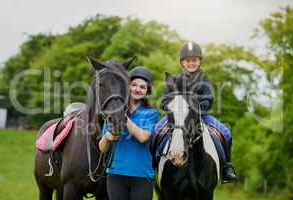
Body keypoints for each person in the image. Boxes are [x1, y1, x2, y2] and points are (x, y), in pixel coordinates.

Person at [160, 41, 237, 183]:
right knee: (155, 131)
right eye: (188, 61)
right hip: (176, 116)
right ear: (182, 62)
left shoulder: (204, 79)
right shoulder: (175, 79)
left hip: (200, 115)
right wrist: (170, 106)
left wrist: (196, 109)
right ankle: (155, 161)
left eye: (194, 60)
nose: (191, 63)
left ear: (199, 61)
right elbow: (165, 99)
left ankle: (226, 166)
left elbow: (208, 99)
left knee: (225, 131)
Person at [99, 66, 159, 200]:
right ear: (127, 86)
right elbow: (102, 148)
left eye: (143, 87)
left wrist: (124, 118)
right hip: (115, 173)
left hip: (142, 175)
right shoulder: (113, 109)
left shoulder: (151, 113)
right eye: (134, 85)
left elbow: (143, 137)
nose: (138, 89)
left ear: (147, 91)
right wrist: (107, 138)